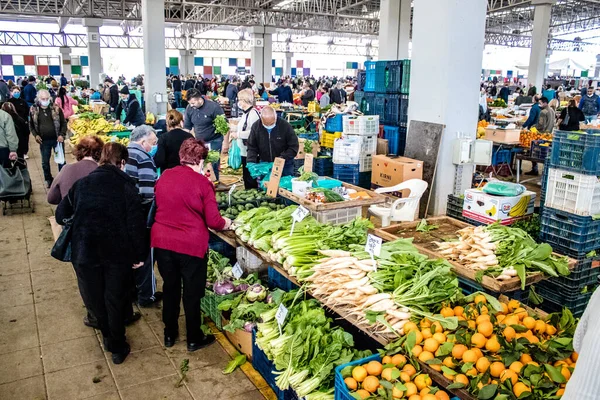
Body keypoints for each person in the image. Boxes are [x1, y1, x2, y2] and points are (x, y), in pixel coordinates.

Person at [56, 142, 147, 365]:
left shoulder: (82, 184)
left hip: (85, 252)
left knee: (96, 299)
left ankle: (108, 336)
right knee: (114, 299)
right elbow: (136, 227)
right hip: (116, 254)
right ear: (122, 163)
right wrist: (139, 256)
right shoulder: (127, 187)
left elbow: (60, 214)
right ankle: (117, 346)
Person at [151, 138, 232, 351]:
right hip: (190, 246)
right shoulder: (203, 184)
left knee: (170, 288)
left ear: (181, 157)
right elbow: (214, 221)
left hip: (162, 242)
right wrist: (228, 223)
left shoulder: (165, 175)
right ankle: (193, 338)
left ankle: (170, 334)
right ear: (201, 160)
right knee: (192, 293)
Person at [124, 125, 162, 308]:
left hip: (127, 211)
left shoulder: (124, 151)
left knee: (132, 253)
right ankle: (147, 295)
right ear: (143, 141)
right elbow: (148, 193)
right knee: (146, 254)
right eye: (153, 143)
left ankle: (132, 291)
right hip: (142, 212)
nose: (153, 147)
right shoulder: (143, 157)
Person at [48, 135, 103, 204]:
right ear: (101, 153)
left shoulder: (66, 169)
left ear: (78, 151)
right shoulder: (103, 172)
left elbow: (51, 198)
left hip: (70, 213)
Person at [183, 89, 226, 180]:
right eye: (190, 103)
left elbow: (224, 126)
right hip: (199, 141)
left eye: (193, 103)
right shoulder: (189, 108)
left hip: (215, 140)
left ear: (199, 99)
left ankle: (214, 184)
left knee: (212, 164)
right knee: (201, 164)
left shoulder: (214, 107)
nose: (191, 105)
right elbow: (187, 127)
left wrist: (226, 142)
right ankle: (203, 185)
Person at [246, 106, 299, 177]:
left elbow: (293, 147)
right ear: (261, 119)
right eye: (266, 124)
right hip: (265, 164)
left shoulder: (285, 126)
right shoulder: (256, 127)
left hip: (285, 164)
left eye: (271, 123)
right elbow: (252, 146)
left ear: (275, 117)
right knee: (266, 186)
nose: (268, 125)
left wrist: (282, 158)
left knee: (284, 186)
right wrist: (251, 161)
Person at [29, 89, 67, 188]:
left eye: (47, 98)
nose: (45, 100)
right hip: (44, 141)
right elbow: (31, 125)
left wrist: (61, 135)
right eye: (43, 98)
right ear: (38, 99)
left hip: (57, 140)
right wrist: (35, 135)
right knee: (45, 162)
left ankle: (62, 179)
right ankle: (48, 179)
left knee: (61, 161)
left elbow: (63, 123)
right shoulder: (33, 110)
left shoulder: (56, 108)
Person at [231, 89, 261, 189]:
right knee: (246, 176)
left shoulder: (253, 114)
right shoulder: (246, 113)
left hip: (251, 152)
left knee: (250, 177)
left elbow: (253, 133)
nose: (238, 102)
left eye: (239, 99)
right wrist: (233, 128)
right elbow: (244, 127)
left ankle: (252, 195)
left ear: (244, 100)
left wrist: (238, 134)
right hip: (245, 151)